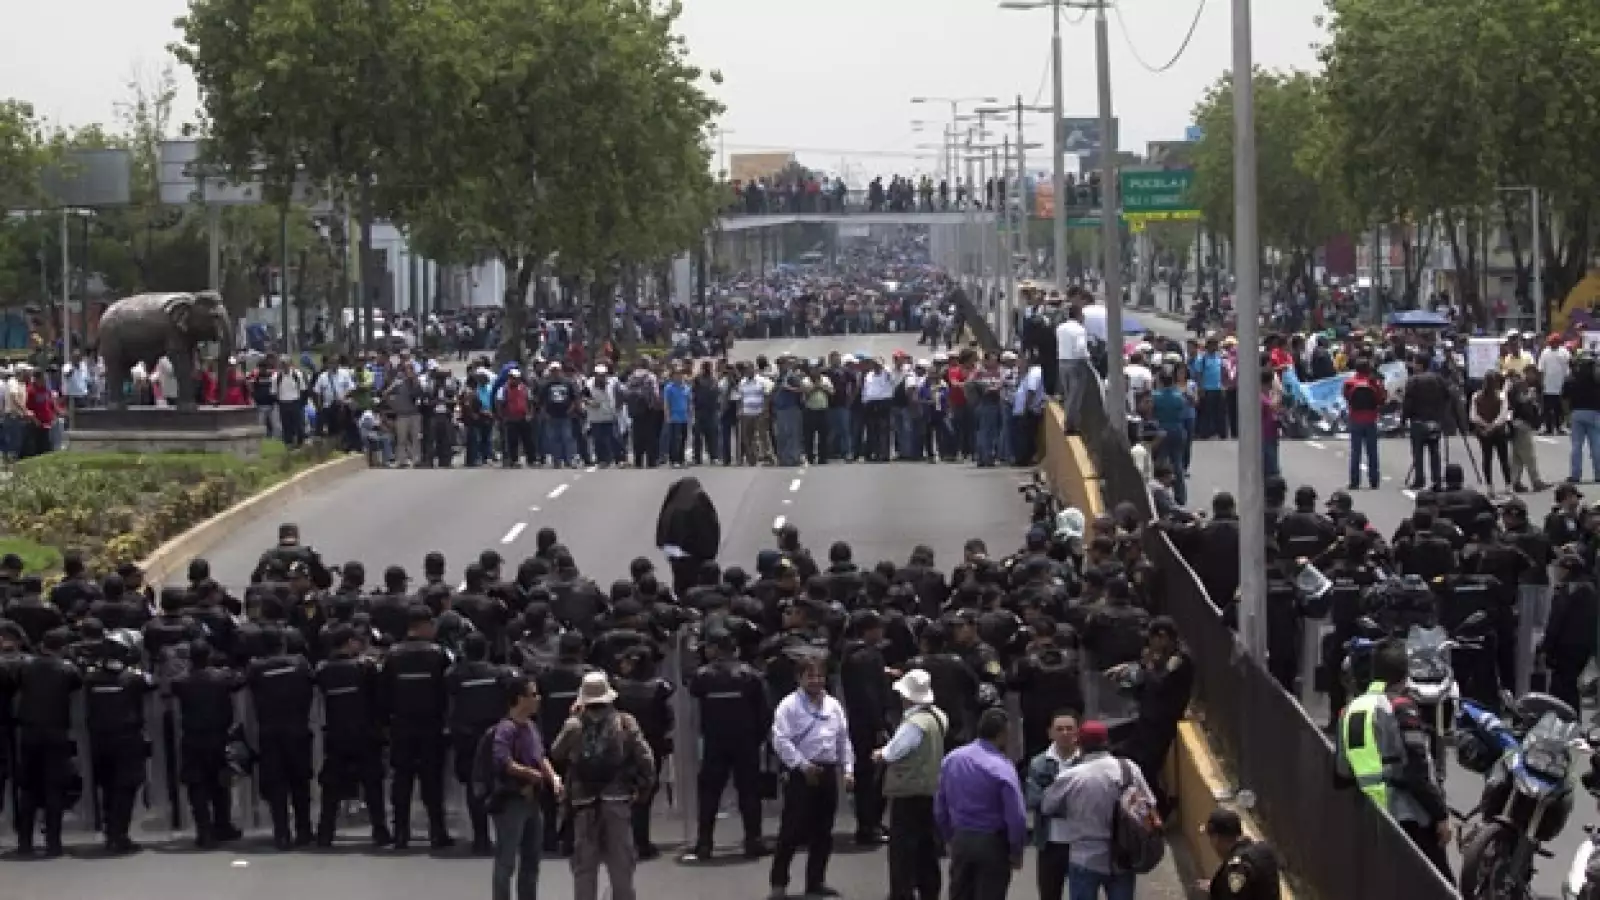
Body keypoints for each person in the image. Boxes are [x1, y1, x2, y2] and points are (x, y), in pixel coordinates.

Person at [1333, 639, 1452, 879]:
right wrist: (1440, 815)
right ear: (1405, 675)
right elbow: (1416, 773)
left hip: (1370, 821)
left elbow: (1341, 775)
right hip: (1412, 820)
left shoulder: (1350, 712)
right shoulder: (1401, 708)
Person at [549, 671, 656, 900]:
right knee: (621, 868)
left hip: (583, 803)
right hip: (617, 800)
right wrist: (644, 788)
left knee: (584, 869)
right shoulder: (625, 722)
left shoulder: (574, 725)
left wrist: (572, 719)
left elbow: (556, 753)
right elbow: (646, 759)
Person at [769, 654, 856, 900]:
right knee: (791, 830)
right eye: (811, 676)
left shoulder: (833, 705)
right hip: (801, 773)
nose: (816, 681)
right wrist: (802, 765)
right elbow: (780, 740)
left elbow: (843, 739)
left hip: (827, 772)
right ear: (799, 678)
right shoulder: (789, 706)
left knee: (823, 830)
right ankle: (778, 884)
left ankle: (816, 880)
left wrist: (848, 769)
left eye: (820, 675)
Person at [1039, 719, 1154, 900]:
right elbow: (1149, 804)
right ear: (1106, 742)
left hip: (1084, 858)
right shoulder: (1129, 769)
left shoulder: (1071, 777)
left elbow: (1046, 806)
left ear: (1079, 744)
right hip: (1123, 856)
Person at [934, 707, 1027, 900]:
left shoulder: (952, 759)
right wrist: (1016, 850)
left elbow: (940, 805)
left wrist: (949, 837)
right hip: (992, 843)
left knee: (959, 893)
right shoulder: (1002, 768)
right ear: (1002, 734)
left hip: (961, 838)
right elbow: (1016, 816)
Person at [876, 669, 950, 900]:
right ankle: (930, 890)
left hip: (908, 792)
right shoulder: (938, 716)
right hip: (931, 789)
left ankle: (902, 893)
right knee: (927, 847)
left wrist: (879, 754)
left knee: (902, 850)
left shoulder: (914, 724)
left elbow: (894, 752)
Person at [489, 673, 562, 900]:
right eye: (533, 694)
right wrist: (529, 774)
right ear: (520, 699)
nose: (538, 698)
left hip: (532, 801)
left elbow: (541, 756)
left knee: (531, 860)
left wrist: (554, 778)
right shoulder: (506, 729)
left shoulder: (530, 727)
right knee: (506, 860)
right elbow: (503, 759)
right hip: (512, 801)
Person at [1026, 711, 1081, 900]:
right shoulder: (1038, 763)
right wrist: (1072, 804)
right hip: (1049, 843)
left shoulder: (1088, 762)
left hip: (1081, 844)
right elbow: (1035, 801)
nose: (1065, 733)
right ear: (1050, 733)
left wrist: (1054, 800)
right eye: (1059, 729)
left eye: (1069, 728)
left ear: (1077, 732)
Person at [656, 477, 721, 598]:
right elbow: (708, 529)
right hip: (694, 555)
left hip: (675, 554)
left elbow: (663, 529)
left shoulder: (671, 506)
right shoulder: (699, 505)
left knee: (680, 581)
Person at [1197, 808, 1281, 899]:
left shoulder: (1235, 868)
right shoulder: (1264, 851)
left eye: (1211, 838)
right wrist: (1219, 886)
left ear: (1216, 838)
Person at [1342, 360, 1385, 490]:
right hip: (1371, 419)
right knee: (1372, 451)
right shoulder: (1373, 382)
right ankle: (1374, 481)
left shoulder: (1349, 383)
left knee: (1356, 452)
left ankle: (1354, 481)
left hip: (1355, 418)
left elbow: (1346, 398)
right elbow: (1380, 399)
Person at [1055, 304, 1091, 434]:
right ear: (1078, 315)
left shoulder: (1060, 328)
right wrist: (1088, 356)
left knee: (1068, 393)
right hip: (1076, 363)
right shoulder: (1080, 329)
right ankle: (1070, 425)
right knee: (1075, 396)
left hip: (1062, 362)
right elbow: (1080, 348)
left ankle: (1071, 422)